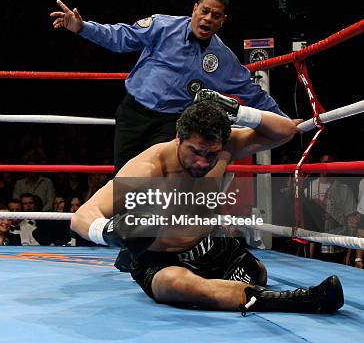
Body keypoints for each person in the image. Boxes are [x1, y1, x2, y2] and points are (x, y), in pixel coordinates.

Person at [70, 90, 344, 314]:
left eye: (210, 154)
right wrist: (109, 232)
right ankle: (301, 300)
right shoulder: (148, 168)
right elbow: (82, 216)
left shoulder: (226, 147)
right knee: (175, 284)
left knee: (258, 273)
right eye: (195, 151)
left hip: (210, 245)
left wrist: (239, 112)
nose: (202, 162)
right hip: (160, 259)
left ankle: (232, 291)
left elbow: (286, 131)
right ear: (179, 138)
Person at [50, 0, 287, 171]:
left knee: (158, 175)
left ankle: (158, 233)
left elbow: (252, 93)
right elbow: (120, 37)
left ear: (222, 20)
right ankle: (127, 233)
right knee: (125, 177)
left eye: (215, 15)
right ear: (194, 9)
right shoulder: (163, 25)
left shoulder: (222, 58)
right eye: (204, 11)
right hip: (133, 114)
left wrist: (287, 123)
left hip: (171, 122)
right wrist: (82, 27)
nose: (207, 18)